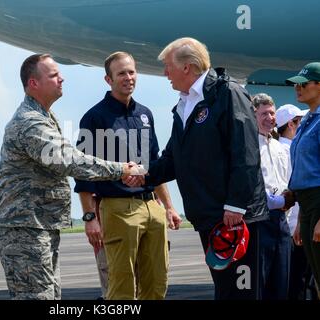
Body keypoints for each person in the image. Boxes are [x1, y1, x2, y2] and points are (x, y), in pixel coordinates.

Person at [125, 37, 269, 299]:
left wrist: (236, 205)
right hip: (209, 216)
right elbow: (174, 157)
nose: (164, 73)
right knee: (226, 291)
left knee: (242, 292)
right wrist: (145, 176)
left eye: (168, 66)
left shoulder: (227, 94)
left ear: (187, 67)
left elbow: (245, 152)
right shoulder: (184, 103)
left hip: (236, 219)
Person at [0, 53, 141, 300]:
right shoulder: (31, 123)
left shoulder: (44, 117)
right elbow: (69, 160)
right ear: (34, 83)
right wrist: (120, 169)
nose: (62, 79)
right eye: (53, 75)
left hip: (38, 224)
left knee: (49, 296)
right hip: (27, 228)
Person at [74, 52, 182, 300]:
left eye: (132, 71)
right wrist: (90, 217)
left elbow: (155, 165)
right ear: (108, 79)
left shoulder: (145, 114)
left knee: (157, 284)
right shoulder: (94, 118)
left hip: (151, 207)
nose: (128, 77)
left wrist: (168, 207)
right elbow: (82, 172)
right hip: (117, 209)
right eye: (121, 73)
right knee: (122, 287)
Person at [252, 94, 293, 299]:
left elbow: (287, 180)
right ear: (254, 115)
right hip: (261, 221)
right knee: (260, 282)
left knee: (281, 282)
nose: (269, 117)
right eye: (264, 113)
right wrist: (277, 201)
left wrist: (288, 200)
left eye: (272, 113)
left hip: (281, 222)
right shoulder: (249, 146)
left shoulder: (280, 148)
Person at [285, 62, 320, 298]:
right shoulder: (308, 119)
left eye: (303, 84)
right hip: (307, 206)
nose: (298, 88)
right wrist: (300, 220)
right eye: (296, 84)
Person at [275, 104, 310, 299]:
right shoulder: (291, 151)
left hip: (287, 225)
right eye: (301, 121)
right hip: (297, 226)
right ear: (291, 124)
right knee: (299, 283)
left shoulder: (277, 148)